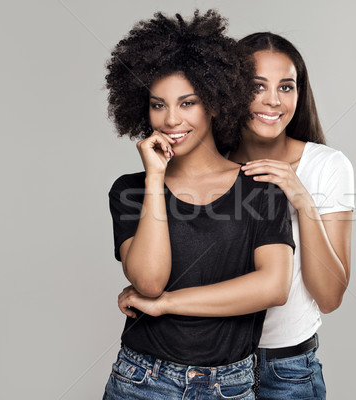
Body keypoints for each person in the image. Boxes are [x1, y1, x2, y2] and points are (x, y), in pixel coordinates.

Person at [103, 11, 295, 400]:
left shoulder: (260, 189)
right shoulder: (130, 191)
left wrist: (167, 305)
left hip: (231, 384)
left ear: (214, 103)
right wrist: (155, 178)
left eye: (187, 102)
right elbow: (149, 282)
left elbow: (273, 286)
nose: (171, 119)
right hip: (142, 380)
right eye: (158, 105)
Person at [227, 32, 356, 399]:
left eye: (286, 87)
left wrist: (302, 199)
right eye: (257, 85)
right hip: (212, 369)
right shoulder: (209, 165)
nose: (272, 100)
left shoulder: (328, 166)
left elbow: (329, 298)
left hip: (287, 372)